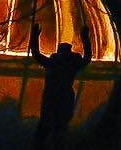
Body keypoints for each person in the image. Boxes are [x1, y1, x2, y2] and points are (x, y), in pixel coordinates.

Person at [29, 21, 92, 149]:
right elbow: (87, 58)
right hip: (64, 99)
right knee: (58, 131)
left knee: (45, 129)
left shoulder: (53, 63)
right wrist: (85, 38)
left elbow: (36, 54)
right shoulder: (72, 64)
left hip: (52, 99)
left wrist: (34, 35)